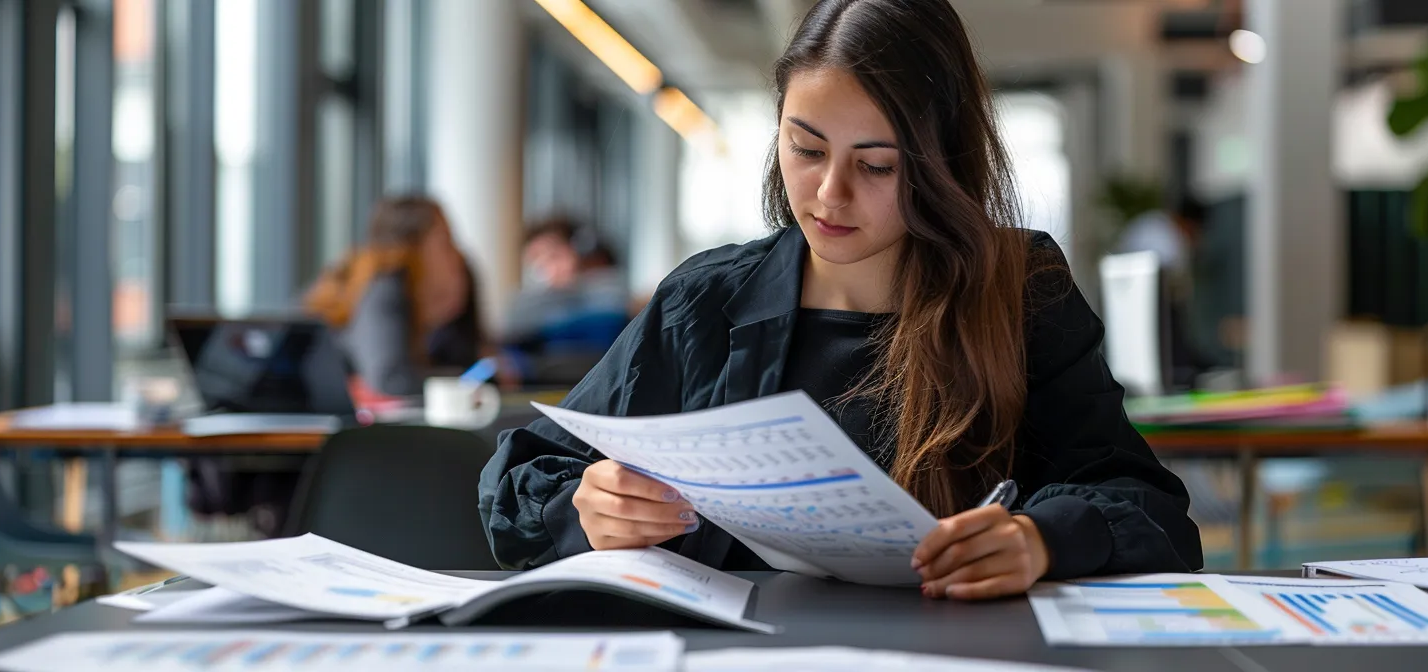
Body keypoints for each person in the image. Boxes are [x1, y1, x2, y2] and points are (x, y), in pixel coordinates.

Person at [479, 0, 1201, 601]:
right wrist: (586, 509)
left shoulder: (1018, 290)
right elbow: (519, 479)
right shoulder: (703, 301)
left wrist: (1042, 539)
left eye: (876, 164)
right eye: (806, 147)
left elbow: (1150, 507)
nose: (830, 195)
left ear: (940, 161)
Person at [305, 196, 489, 397]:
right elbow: (391, 380)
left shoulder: (385, 285)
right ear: (416, 246)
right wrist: (462, 382)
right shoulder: (385, 284)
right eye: (445, 241)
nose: (455, 253)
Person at [500, 217, 631, 386]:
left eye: (553, 256)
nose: (544, 267)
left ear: (577, 252)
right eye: (535, 260)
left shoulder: (608, 288)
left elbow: (612, 321)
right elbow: (511, 333)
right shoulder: (521, 303)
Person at [1117, 196, 1213, 386]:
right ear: (1190, 223)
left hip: (1128, 306)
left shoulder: (1153, 224)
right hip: (1143, 308)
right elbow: (1166, 281)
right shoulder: (1168, 238)